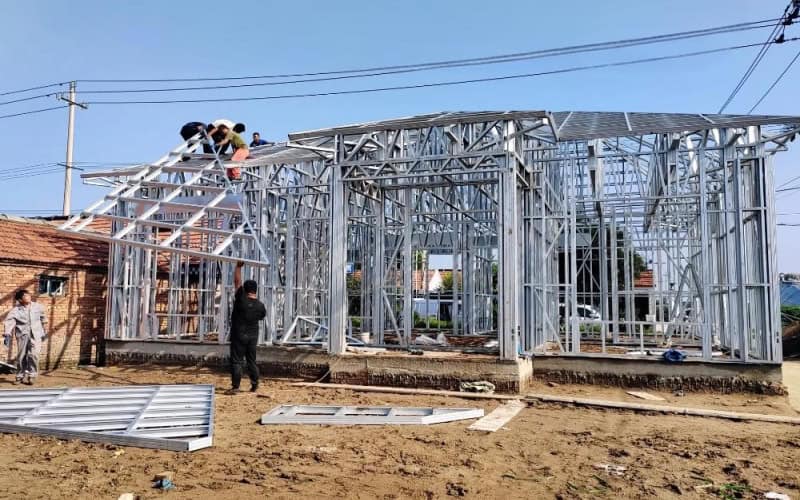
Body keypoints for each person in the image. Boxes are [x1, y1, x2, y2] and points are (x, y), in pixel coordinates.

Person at [228, 261, 266, 393]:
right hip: (252, 336)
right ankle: (254, 384)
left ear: (245, 290)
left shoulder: (241, 300)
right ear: (255, 290)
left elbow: (237, 282)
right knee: (251, 360)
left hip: (239, 334)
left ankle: (236, 387)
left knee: (237, 360)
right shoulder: (260, 306)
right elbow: (261, 316)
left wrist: (238, 267)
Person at [3, 289, 47, 385]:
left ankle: (32, 375)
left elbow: (43, 318)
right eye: (25, 296)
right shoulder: (16, 310)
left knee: (34, 355)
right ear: (20, 299)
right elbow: (9, 322)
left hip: (36, 335)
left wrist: (44, 331)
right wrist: (7, 334)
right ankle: (20, 376)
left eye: (28, 295)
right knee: (21, 356)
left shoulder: (38, 307)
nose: (28, 297)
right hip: (22, 335)